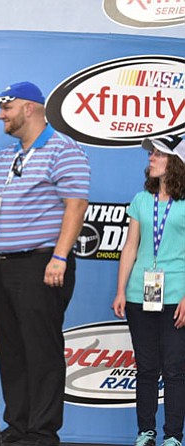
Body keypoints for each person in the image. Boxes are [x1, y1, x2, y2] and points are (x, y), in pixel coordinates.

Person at [0, 81, 90, 446]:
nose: (1, 115)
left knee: (41, 350)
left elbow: (76, 205)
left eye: (7, 107)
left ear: (30, 108)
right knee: (12, 350)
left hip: (41, 264)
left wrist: (60, 256)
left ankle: (42, 432)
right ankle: (18, 427)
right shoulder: (8, 155)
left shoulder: (64, 149)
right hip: (3, 264)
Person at [112, 135, 185, 446]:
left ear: (175, 163)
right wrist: (120, 291)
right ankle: (146, 432)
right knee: (146, 367)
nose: (151, 158)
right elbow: (130, 247)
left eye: (158, 154)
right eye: (151, 154)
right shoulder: (142, 200)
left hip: (175, 297)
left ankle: (172, 436)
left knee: (174, 369)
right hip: (138, 296)